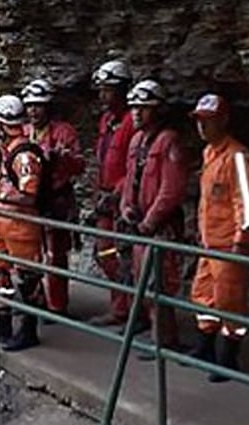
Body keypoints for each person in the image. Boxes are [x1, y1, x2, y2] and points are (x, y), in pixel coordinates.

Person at [189, 93, 249, 382]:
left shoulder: (236, 156)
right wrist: (201, 232)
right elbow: (209, 201)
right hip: (210, 243)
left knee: (230, 302)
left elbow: (247, 203)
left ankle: (228, 358)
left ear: (223, 120)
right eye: (199, 121)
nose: (202, 126)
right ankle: (205, 347)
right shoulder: (209, 153)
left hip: (229, 244)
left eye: (208, 121)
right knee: (203, 295)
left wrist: (241, 241)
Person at [117, 79, 188, 351]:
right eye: (134, 108)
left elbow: (172, 189)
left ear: (157, 110)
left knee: (158, 285)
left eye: (143, 108)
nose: (136, 113)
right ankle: (156, 336)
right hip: (140, 225)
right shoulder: (137, 141)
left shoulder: (168, 141)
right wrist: (126, 207)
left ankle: (164, 341)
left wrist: (151, 220)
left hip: (159, 227)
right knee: (142, 283)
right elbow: (130, 178)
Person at [0, 94, 47, 352]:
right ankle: (4, 324)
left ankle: (28, 331)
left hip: (22, 229)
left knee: (27, 280)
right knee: (1, 274)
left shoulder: (24, 155)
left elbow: (30, 195)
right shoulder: (10, 150)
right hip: (6, 225)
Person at [21, 78, 86, 318]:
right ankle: (36, 296)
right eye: (30, 106)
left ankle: (57, 304)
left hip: (56, 199)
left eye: (38, 105)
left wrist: (63, 158)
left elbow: (79, 166)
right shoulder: (24, 132)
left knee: (56, 255)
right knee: (29, 251)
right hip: (30, 200)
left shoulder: (64, 132)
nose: (33, 111)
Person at [87, 59, 140, 328]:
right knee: (106, 254)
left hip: (125, 200)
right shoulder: (107, 121)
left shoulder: (132, 122)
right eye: (101, 90)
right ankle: (121, 307)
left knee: (127, 257)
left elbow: (134, 165)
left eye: (108, 90)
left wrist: (119, 192)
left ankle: (135, 312)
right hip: (106, 198)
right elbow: (103, 160)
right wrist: (98, 192)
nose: (103, 96)